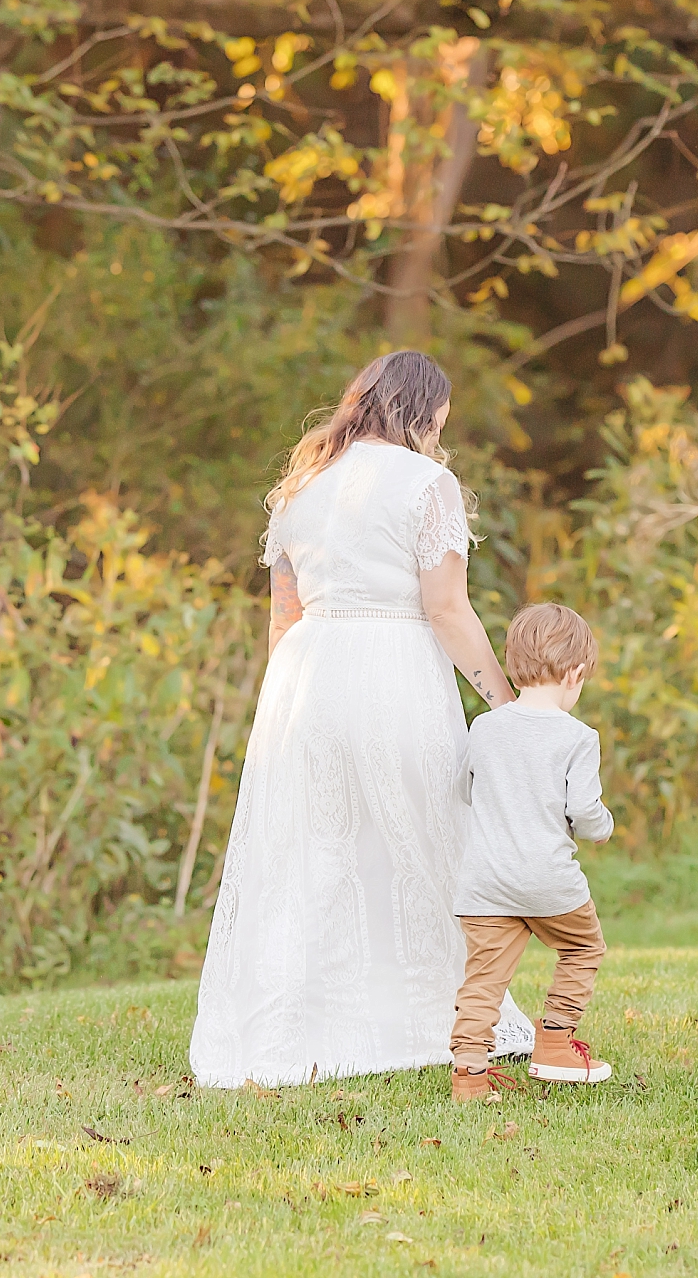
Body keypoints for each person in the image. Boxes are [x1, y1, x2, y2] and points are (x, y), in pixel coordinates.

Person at [189, 350, 533, 1088]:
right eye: (443, 414)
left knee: (312, 848)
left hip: (306, 675)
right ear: (426, 410)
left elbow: (284, 616)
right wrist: (506, 703)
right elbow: (446, 609)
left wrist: (283, 710)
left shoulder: (300, 487)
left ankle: (299, 1030)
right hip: (393, 666)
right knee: (425, 832)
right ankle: (442, 1017)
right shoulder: (428, 484)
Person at [449, 602, 615, 1102]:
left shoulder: (486, 726)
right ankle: (555, 1042)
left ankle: (470, 1077)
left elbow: (465, 789)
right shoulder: (578, 737)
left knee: (483, 981)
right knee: (583, 947)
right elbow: (585, 810)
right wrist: (602, 826)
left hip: (485, 884)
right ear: (577, 673)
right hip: (548, 882)